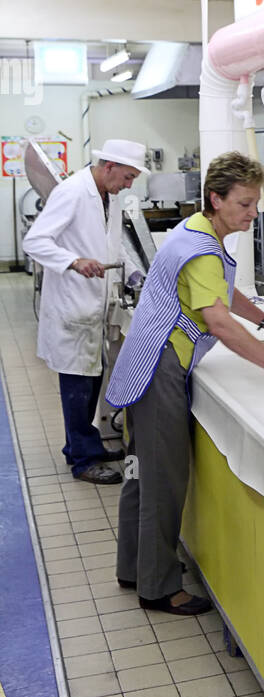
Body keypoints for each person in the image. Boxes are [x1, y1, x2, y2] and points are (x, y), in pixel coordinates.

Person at [106, 151, 264, 616]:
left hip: (142, 359)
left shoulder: (195, 230)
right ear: (216, 198)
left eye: (256, 202)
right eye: (245, 204)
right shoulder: (202, 249)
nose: (253, 213)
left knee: (141, 473)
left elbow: (220, 291)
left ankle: (134, 568)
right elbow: (220, 322)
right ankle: (158, 588)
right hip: (159, 368)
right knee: (163, 481)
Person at [22, 139, 147, 485]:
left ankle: (81, 445)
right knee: (77, 387)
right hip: (72, 308)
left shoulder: (109, 197)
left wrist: (135, 275)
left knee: (90, 383)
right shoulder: (73, 192)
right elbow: (35, 241)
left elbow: (112, 245)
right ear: (109, 167)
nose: (129, 185)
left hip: (93, 309)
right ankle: (83, 461)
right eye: (127, 177)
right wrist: (74, 261)